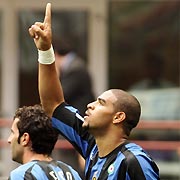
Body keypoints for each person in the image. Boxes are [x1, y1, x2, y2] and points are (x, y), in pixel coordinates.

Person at [29, 3, 160, 179]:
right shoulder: (91, 145)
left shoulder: (134, 161)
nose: (90, 105)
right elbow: (53, 105)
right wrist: (45, 50)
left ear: (118, 117)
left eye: (101, 103)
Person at [8, 104, 82, 180]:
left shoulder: (21, 175)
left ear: (25, 139)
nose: (9, 140)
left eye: (13, 132)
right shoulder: (71, 173)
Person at [53, 37, 95, 116]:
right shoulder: (74, 64)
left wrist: (54, 74)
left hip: (80, 116)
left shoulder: (75, 69)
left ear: (55, 54)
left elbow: (59, 96)